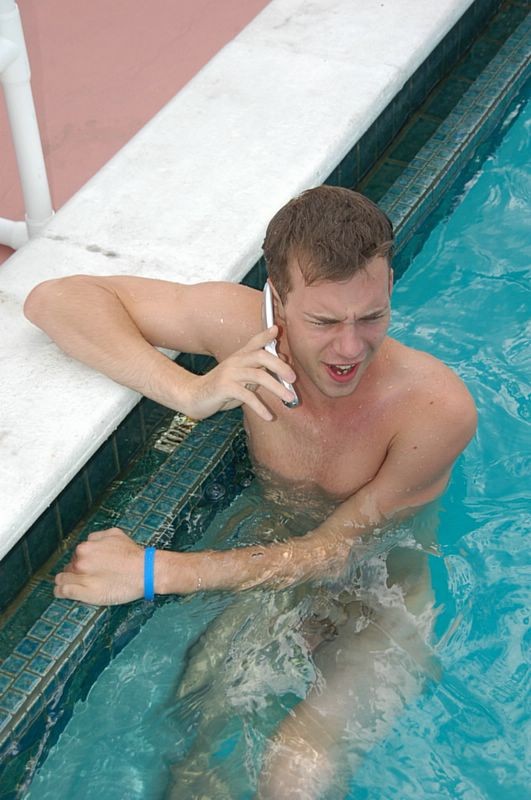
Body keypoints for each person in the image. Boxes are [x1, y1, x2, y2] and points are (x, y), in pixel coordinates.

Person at [24, 186, 477, 797]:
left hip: (381, 598)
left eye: (371, 316)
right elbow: (58, 300)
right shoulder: (240, 326)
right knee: (193, 746)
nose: (350, 348)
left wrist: (156, 571)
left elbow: (334, 552)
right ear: (278, 298)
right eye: (323, 321)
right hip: (271, 565)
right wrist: (190, 392)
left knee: (293, 770)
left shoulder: (432, 406)